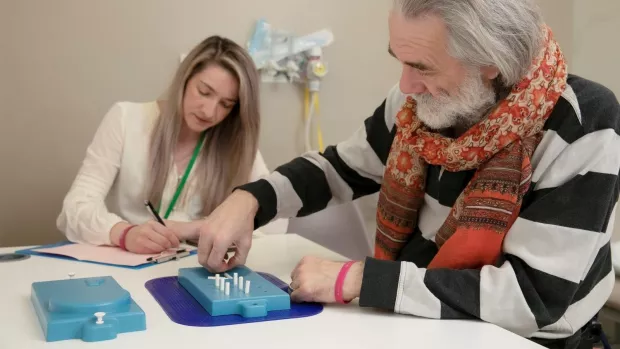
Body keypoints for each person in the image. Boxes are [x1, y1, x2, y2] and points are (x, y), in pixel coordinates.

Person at [192, 1, 620, 348]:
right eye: (400, 61)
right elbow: (341, 168)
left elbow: (533, 298)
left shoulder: (585, 124)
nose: (406, 85)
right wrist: (248, 201)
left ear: (491, 62)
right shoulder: (413, 102)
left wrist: (360, 279)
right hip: (419, 314)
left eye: (424, 67)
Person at [57, 35, 287, 254]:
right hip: (128, 262)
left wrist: (195, 228)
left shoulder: (235, 142)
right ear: (184, 79)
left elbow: (275, 223)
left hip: (195, 272)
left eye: (226, 104)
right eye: (204, 92)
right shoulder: (125, 119)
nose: (209, 112)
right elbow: (75, 209)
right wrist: (124, 233)